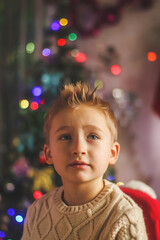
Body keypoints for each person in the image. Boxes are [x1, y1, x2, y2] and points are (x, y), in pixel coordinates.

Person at [21, 82, 147, 240]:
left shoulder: (124, 215)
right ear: (48, 153)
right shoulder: (36, 212)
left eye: (92, 136)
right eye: (65, 137)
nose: (79, 148)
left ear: (112, 153)